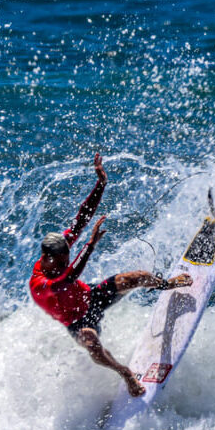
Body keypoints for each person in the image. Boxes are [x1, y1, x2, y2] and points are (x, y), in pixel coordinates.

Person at [29, 153, 191, 397]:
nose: (65, 263)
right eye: (62, 262)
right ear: (48, 259)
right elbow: (67, 280)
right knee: (91, 342)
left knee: (136, 276)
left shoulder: (58, 250)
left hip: (91, 297)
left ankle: (165, 284)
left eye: (67, 259)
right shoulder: (39, 284)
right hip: (78, 322)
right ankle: (124, 373)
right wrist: (90, 246)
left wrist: (100, 185)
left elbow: (81, 219)